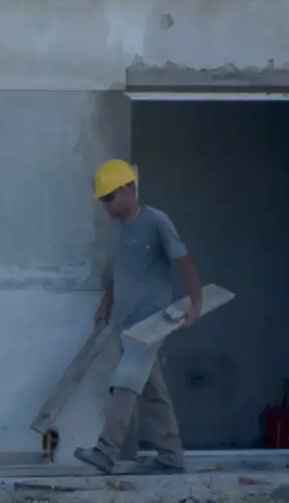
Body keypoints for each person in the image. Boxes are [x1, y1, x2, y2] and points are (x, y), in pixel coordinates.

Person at [75, 159, 203, 475]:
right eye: (103, 200)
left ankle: (106, 452)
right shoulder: (119, 232)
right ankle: (171, 455)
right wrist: (107, 302)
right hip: (126, 322)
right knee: (152, 392)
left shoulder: (157, 222)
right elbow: (120, 273)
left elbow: (183, 260)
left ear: (127, 190)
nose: (106, 205)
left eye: (109, 197)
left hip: (152, 321)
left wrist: (196, 302)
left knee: (126, 382)